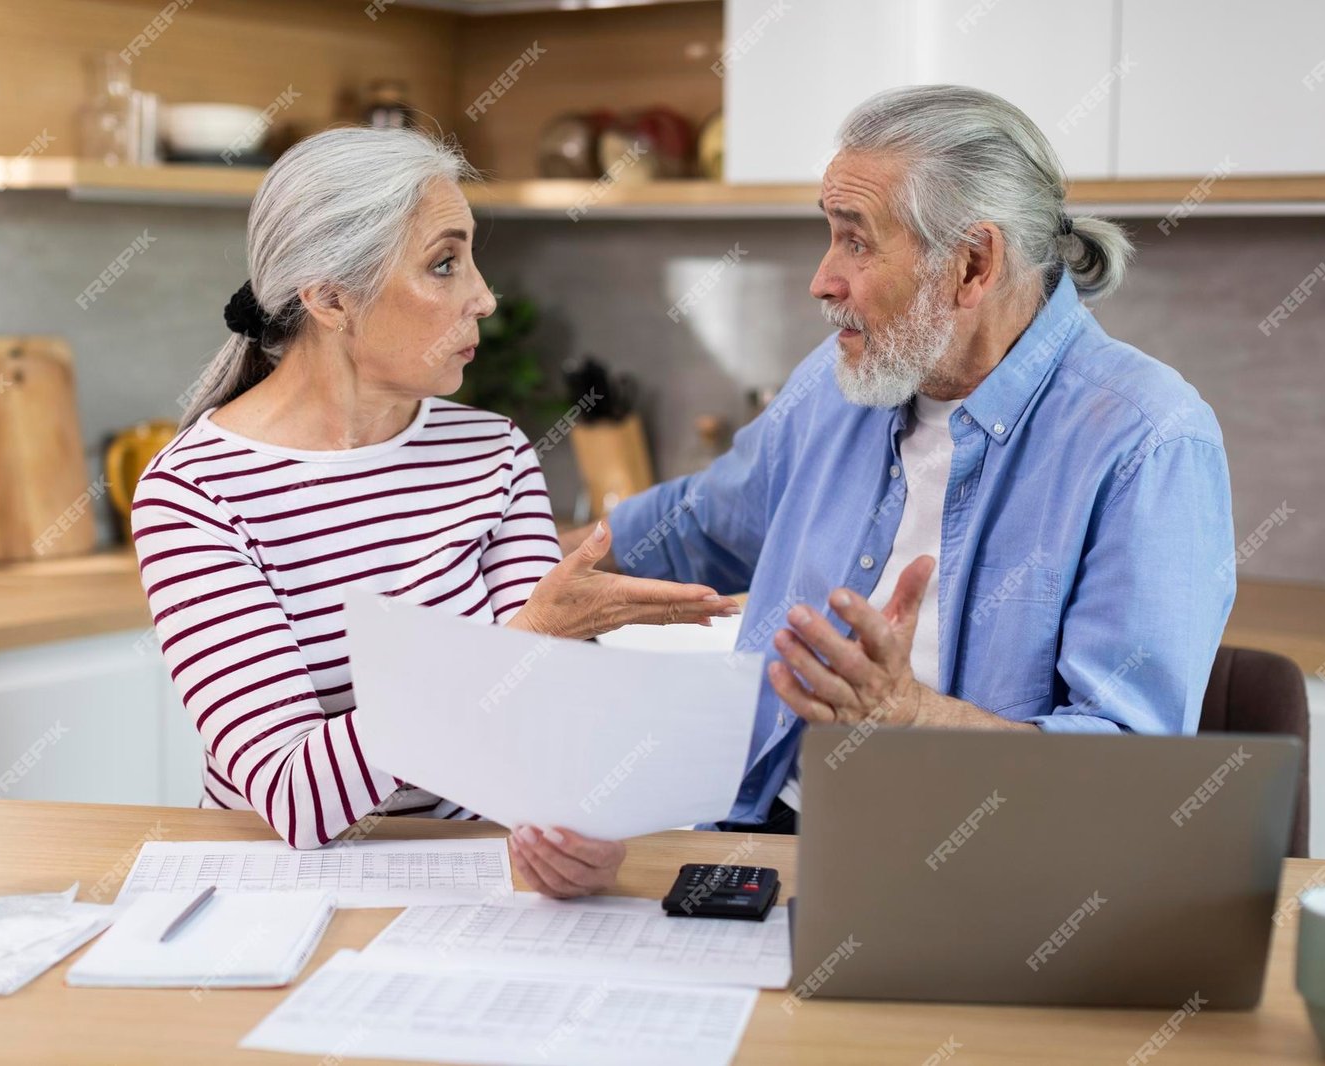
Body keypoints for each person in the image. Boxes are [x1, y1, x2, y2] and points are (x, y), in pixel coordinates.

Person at [587, 85, 1236, 832]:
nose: (821, 280)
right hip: (767, 828)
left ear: (973, 264)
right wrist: (528, 564)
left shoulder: (1147, 441)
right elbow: (701, 523)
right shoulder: (837, 383)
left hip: (975, 870)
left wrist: (908, 714)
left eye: (855, 241)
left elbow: (1132, 777)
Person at [131, 127, 739, 896]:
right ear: (328, 298)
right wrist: (530, 636)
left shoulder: (493, 454)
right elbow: (297, 796)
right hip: (279, 896)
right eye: (444, 264)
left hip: (477, 885)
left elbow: (546, 723)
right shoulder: (195, 494)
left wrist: (582, 825)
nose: (483, 295)